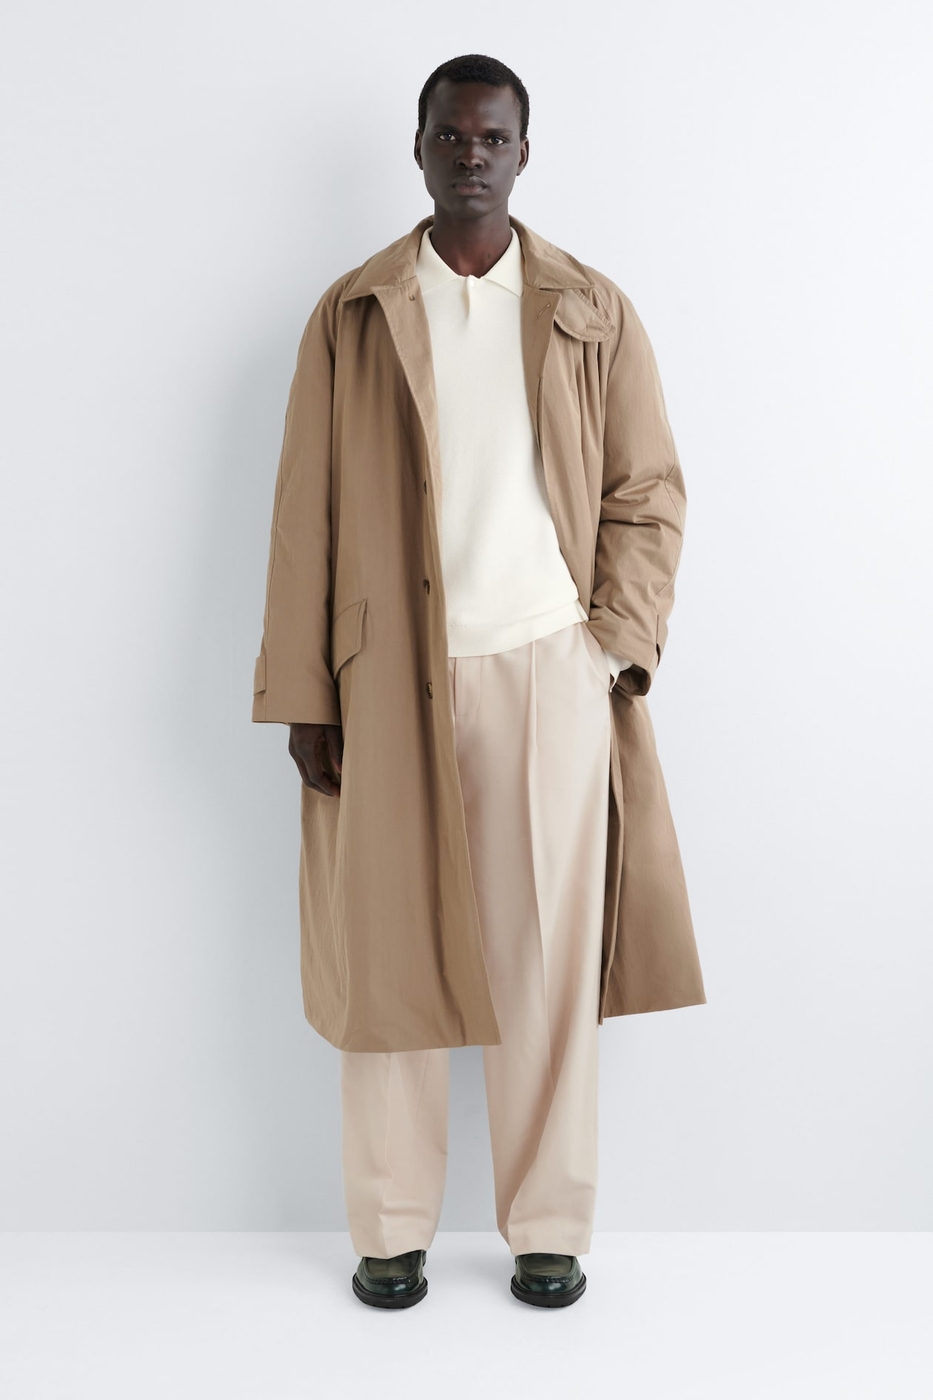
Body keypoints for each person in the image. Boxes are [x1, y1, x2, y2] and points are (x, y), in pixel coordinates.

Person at [252, 53, 705, 1309]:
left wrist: (609, 641)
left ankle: (549, 1224)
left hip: (550, 671)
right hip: (386, 675)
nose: (470, 156)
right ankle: (389, 1224)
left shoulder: (590, 308)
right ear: (417, 149)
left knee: (546, 958)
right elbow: (304, 512)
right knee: (386, 946)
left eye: (492, 137)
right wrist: (304, 691)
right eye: (450, 136)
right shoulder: (354, 312)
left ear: (522, 153)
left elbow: (649, 490)